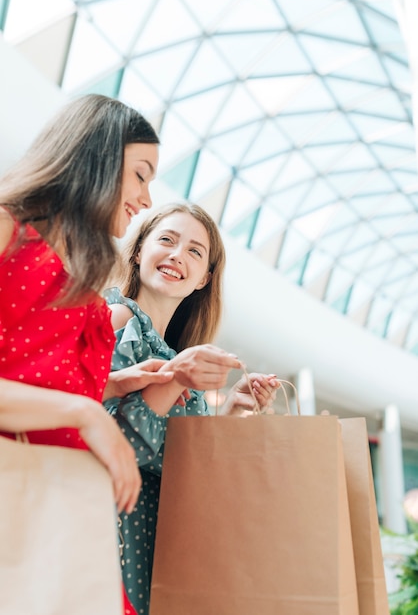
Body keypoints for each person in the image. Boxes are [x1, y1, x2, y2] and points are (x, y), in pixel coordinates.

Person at [0, 93, 180, 615]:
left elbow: (29, 379)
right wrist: (84, 413)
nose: (146, 199)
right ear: (97, 158)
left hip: (61, 524)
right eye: (141, 174)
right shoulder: (8, 231)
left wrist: (112, 386)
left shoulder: (86, 289)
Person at [103, 202, 279, 614]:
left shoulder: (180, 353)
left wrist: (234, 408)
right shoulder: (116, 318)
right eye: (166, 239)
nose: (177, 255)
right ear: (139, 251)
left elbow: (185, 464)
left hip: (161, 543)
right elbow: (113, 442)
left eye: (195, 251)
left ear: (205, 279)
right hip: (114, 533)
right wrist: (176, 378)